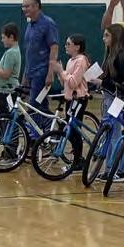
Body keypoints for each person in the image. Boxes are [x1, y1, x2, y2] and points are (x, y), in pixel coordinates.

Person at [88, 23, 124, 182]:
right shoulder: (110, 54)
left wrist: (102, 83)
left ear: (116, 37)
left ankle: (119, 170)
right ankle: (109, 168)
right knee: (109, 133)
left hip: (117, 99)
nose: (103, 38)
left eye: (107, 35)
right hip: (109, 97)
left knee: (115, 134)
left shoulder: (121, 56)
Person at [50, 34, 90, 170]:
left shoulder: (81, 61)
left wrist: (61, 71)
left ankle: (78, 161)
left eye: (68, 44)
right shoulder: (71, 61)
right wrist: (59, 73)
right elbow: (65, 83)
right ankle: (77, 159)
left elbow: (73, 83)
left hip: (78, 99)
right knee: (71, 130)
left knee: (74, 131)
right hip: (70, 99)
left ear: (77, 47)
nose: (65, 46)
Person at [21, 0, 59, 127]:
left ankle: (38, 135)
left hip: (41, 73)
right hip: (31, 73)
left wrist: (50, 73)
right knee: (40, 107)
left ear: (36, 6)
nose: (24, 9)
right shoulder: (30, 25)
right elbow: (29, 52)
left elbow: (54, 47)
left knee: (34, 107)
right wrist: (25, 76)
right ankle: (49, 132)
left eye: (27, 6)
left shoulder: (48, 23)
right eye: (23, 6)